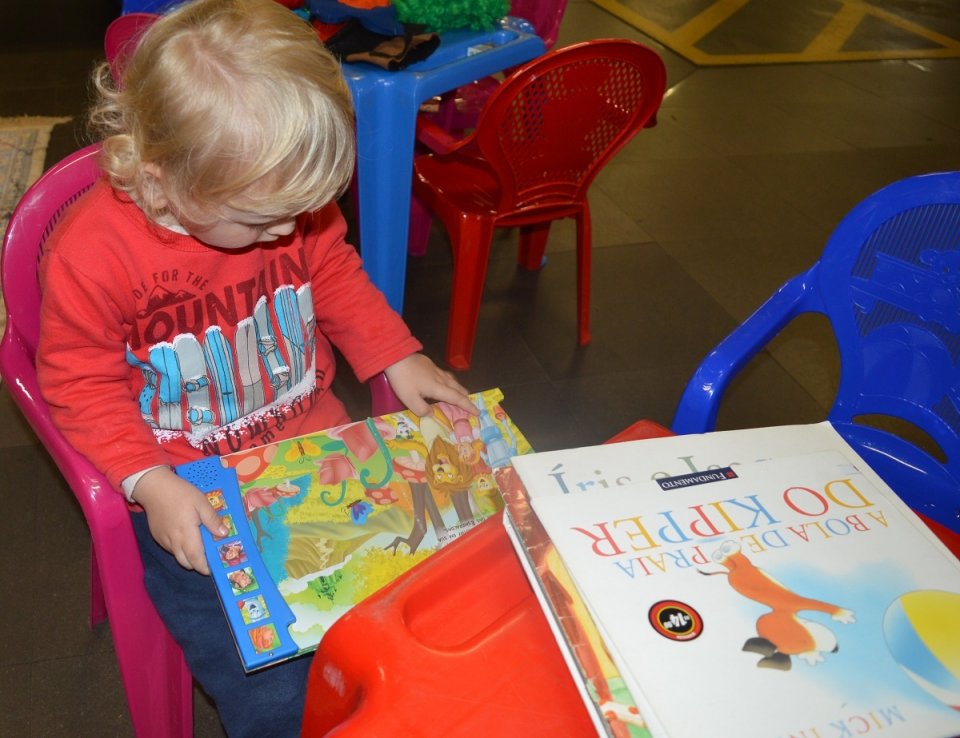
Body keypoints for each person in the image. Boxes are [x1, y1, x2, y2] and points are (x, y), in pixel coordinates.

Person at [35, 0, 476, 734]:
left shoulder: (283, 209)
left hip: (316, 455)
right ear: (162, 180)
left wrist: (399, 355)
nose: (287, 232)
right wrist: (150, 483)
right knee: (275, 697)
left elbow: (332, 273)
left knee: (432, 614)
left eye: (304, 211)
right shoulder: (95, 252)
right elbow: (78, 383)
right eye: (260, 219)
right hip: (192, 487)